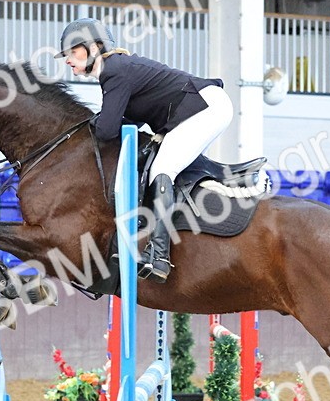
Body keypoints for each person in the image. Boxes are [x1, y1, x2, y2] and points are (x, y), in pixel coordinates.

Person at [56, 17, 232, 283]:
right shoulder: (116, 70)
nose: (67, 60)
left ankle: (159, 255)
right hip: (198, 108)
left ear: (94, 48)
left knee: (162, 169)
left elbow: (106, 130)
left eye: (72, 52)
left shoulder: (114, 70)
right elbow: (125, 121)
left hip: (206, 107)